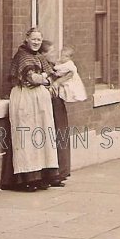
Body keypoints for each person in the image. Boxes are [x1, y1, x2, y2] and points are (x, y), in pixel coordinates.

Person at [5, 28, 59, 192]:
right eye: (34, 39)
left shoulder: (39, 56)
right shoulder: (22, 56)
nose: (36, 42)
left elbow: (50, 76)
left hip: (39, 101)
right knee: (27, 136)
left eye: (39, 40)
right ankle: (26, 179)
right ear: (27, 38)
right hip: (25, 100)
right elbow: (31, 78)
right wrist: (43, 79)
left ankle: (41, 177)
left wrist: (42, 78)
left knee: (42, 136)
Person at [40, 40, 72, 187]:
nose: (55, 55)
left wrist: (58, 82)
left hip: (57, 103)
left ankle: (61, 172)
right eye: (51, 52)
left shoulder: (55, 66)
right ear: (43, 54)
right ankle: (52, 174)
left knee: (61, 135)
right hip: (48, 104)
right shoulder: (42, 66)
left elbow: (71, 73)